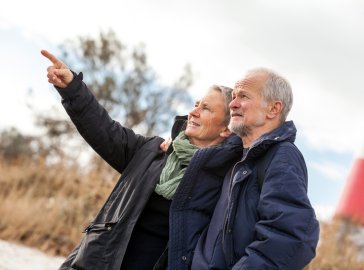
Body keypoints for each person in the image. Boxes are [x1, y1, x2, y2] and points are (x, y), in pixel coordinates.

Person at [41, 50, 243, 270]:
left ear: (226, 129)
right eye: (196, 104)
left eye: (205, 108)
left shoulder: (226, 181)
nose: (193, 112)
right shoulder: (152, 151)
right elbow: (105, 130)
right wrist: (73, 89)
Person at [191, 68, 320, 269]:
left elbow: (292, 237)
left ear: (273, 109)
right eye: (233, 96)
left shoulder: (282, 156)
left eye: (243, 96)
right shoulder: (235, 155)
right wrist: (177, 137)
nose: (232, 104)